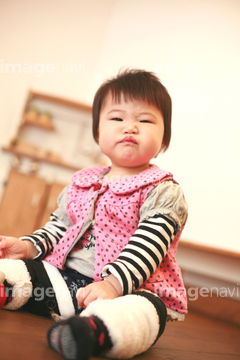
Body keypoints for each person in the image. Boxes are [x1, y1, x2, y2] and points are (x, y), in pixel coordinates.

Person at [0, 69, 188, 360]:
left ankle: (92, 332)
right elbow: (58, 227)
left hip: (129, 290)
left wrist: (112, 285)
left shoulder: (162, 191)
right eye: (117, 118)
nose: (131, 128)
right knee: (25, 272)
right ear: (98, 131)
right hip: (67, 283)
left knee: (147, 312)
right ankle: (5, 287)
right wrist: (27, 246)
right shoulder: (81, 182)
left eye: (145, 120)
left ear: (164, 138)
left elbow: (149, 245)